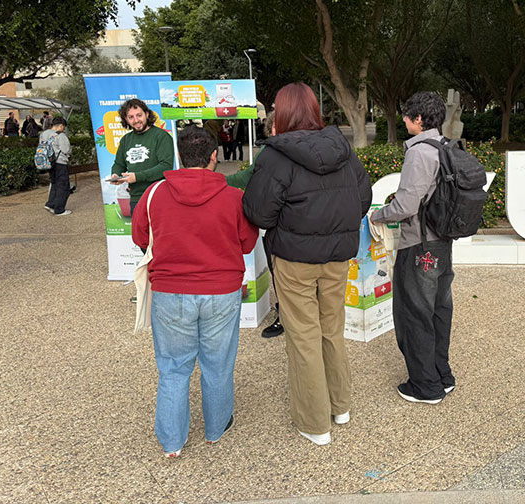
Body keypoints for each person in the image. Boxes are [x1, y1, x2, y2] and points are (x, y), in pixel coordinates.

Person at [242, 82, 371, 446]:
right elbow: (363, 198)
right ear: (315, 111)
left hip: (294, 259)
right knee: (332, 328)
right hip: (337, 257)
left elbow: (259, 212)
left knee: (303, 336)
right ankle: (340, 406)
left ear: (281, 115)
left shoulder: (274, 157)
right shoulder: (343, 149)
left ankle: (315, 424)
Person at [131, 127, 258, 458]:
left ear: (179, 156)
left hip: (170, 291)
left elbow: (141, 237)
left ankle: (172, 442)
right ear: (214, 156)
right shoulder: (233, 197)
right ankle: (215, 429)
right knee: (218, 364)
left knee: (173, 368)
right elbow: (247, 242)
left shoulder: (155, 193)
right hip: (222, 291)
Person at [370, 92, 456, 405]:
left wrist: (377, 215)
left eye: (407, 115)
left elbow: (405, 205)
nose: (404, 119)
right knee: (439, 310)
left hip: (419, 245)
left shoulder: (419, 152)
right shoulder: (445, 146)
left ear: (418, 119)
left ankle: (425, 386)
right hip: (442, 242)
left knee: (414, 314)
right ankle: (442, 375)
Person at [226, 112, 284, 339]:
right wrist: (216, 181)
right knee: (280, 273)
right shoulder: (268, 152)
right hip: (281, 225)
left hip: (291, 225)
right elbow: (248, 177)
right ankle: (285, 314)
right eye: (276, 126)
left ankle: (289, 316)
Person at [109, 99, 174, 217]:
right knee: (139, 230)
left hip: (159, 196)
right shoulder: (126, 140)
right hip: (136, 198)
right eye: (131, 117)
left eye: (139, 115)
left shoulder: (161, 136)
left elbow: (166, 166)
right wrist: (115, 174)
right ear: (126, 119)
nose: (136, 120)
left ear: (147, 114)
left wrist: (137, 177)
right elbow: (119, 164)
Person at [42, 117, 73, 216]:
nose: (63, 129)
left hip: (49, 163)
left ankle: (50, 204)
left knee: (54, 183)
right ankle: (59, 209)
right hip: (60, 162)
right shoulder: (60, 135)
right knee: (63, 186)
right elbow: (66, 150)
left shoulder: (44, 134)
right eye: (63, 127)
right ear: (60, 126)